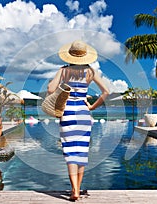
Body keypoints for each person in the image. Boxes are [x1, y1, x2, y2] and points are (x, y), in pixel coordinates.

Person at [47, 40, 109, 201]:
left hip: (67, 112)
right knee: (81, 151)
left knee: (69, 151)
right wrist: (92, 107)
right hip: (83, 113)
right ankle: (78, 189)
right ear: (84, 55)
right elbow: (106, 92)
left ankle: (74, 189)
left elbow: (50, 89)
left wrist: (60, 81)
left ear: (70, 55)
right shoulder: (90, 71)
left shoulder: (63, 70)